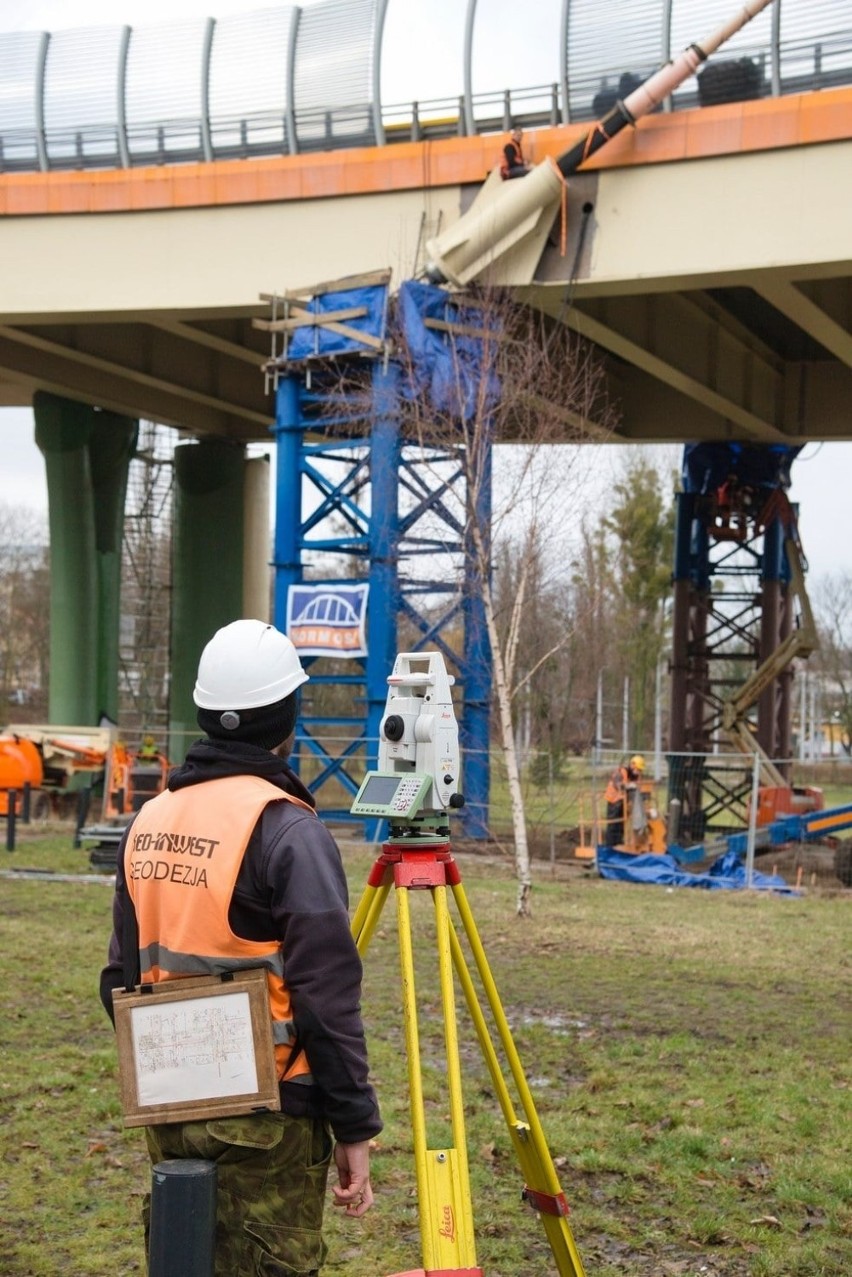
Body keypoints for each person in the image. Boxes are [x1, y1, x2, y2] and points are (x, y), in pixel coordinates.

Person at [99, 618, 382, 1276]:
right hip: (270, 1116)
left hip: (170, 1107)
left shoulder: (150, 819)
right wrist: (354, 1125)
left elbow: (117, 974)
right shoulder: (288, 830)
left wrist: (174, 1070)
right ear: (287, 714)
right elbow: (325, 1000)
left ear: (202, 712)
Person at [603, 753, 645, 847]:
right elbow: (619, 785)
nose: (638, 771)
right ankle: (610, 846)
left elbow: (638, 787)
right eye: (637, 769)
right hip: (613, 800)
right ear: (632, 765)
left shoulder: (635, 776)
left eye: (640, 770)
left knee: (621, 824)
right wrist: (629, 785)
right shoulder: (621, 771)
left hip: (622, 801)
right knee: (613, 824)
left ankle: (618, 844)